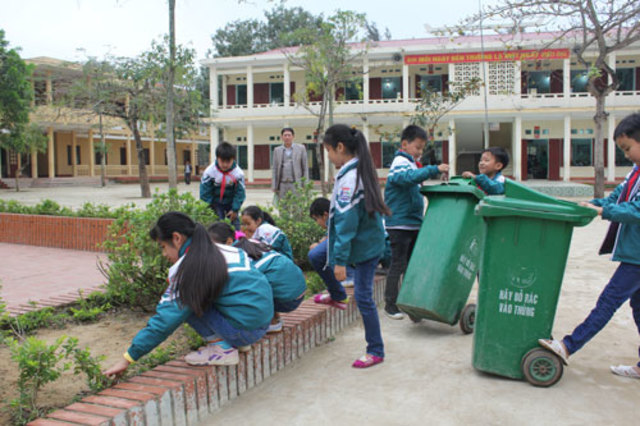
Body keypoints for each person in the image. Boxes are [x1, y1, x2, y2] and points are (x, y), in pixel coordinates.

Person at [103, 212, 273, 377]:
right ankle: (238, 342)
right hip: (263, 324)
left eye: (163, 247)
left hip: (243, 331)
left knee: (186, 302)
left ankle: (222, 349)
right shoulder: (223, 248)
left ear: (177, 238)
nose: (164, 254)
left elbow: (165, 321)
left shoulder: (189, 267)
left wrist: (128, 358)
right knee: (213, 294)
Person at [538, 113, 640, 380]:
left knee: (608, 301)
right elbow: (618, 197)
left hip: (638, 258)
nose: (626, 155)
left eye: (628, 148)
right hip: (633, 253)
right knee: (638, 309)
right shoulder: (635, 172)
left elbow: (636, 210)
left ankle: (569, 346)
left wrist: (602, 213)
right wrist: (595, 204)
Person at [314, 124, 391, 368]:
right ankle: (337, 295)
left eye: (328, 150)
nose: (328, 156)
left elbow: (347, 225)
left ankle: (375, 349)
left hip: (365, 248)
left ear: (340, 147)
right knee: (316, 255)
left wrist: (340, 261)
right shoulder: (353, 170)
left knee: (364, 297)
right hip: (364, 242)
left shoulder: (350, 179)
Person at [383, 125, 449, 319]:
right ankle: (390, 305)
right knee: (398, 265)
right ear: (404, 144)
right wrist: (433, 169)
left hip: (412, 223)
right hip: (399, 223)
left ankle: (411, 305)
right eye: (417, 147)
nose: (420, 152)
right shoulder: (400, 161)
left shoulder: (411, 163)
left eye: (422, 149)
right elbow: (405, 179)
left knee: (412, 266)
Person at [208, 222, 307, 334]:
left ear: (229, 242)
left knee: (242, 289)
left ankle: (272, 323)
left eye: (214, 246)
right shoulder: (251, 242)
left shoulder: (236, 256)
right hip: (300, 289)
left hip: (288, 299)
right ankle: (274, 317)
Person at [308, 197, 355, 287]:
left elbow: (338, 237)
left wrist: (318, 246)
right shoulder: (337, 217)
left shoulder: (336, 220)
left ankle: (349, 276)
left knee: (318, 253)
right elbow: (328, 236)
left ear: (325, 215)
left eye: (316, 219)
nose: (317, 223)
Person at [199, 142, 246, 230]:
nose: (225, 165)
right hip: (215, 203)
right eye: (222, 161)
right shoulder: (209, 172)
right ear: (217, 158)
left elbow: (240, 193)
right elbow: (205, 192)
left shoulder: (238, 173)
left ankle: (237, 241)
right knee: (217, 225)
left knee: (235, 225)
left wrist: (235, 209)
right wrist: (209, 208)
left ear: (233, 159)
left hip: (231, 203)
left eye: (228, 162)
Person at [271, 127, 309, 202]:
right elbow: (275, 169)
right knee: (283, 207)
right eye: (285, 135)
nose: (287, 137)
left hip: (295, 183)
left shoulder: (301, 148)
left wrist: (305, 184)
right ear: (281, 137)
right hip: (282, 184)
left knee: (297, 207)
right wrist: (274, 185)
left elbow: (305, 168)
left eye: (289, 135)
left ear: (293, 136)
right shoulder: (277, 150)